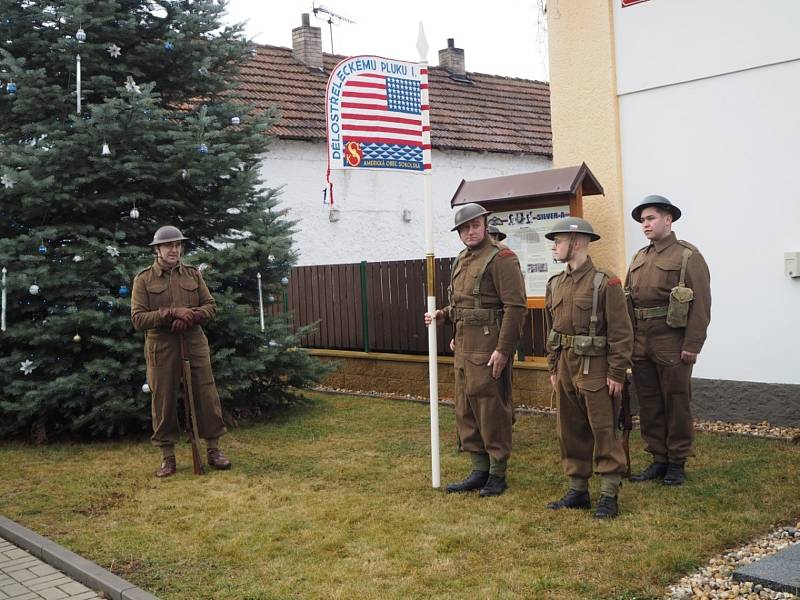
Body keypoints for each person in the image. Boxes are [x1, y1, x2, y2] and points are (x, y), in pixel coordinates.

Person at [424, 203, 527, 496]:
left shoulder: (502, 259)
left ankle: (497, 473)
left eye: (475, 225)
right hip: (464, 345)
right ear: (459, 233)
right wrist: (443, 316)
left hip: (489, 346)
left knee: (491, 408)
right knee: (466, 408)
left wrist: (504, 349)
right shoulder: (461, 260)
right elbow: (462, 305)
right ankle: (478, 470)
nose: (470, 232)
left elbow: (515, 308)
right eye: (464, 228)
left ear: (485, 224)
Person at [543, 217, 632, 518]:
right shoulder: (555, 284)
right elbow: (552, 330)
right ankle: (578, 489)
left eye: (558, 240)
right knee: (569, 429)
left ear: (577, 242)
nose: (554, 246)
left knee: (603, 429)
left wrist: (617, 372)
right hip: (566, 366)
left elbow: (621, 332)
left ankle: (609, 494)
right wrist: (553, 367)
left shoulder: (606, 282)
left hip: (596, 367)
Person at [131, 225, 232, 477]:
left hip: (194, 341)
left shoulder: (193, 275)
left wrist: (191, 316)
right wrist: (169, 314)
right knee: (162, 399)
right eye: (168, 245)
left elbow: (210, 305)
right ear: (157, 249)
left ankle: (213, 450)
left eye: (177, 245)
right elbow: (138, 318)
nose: (174, 249)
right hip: (161, 346)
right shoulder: (143, 279)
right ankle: (168, 457)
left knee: (206, 394)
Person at [625, 196, 711, 486]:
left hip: (671, 339)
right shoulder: (639, 257)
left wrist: (692, 345)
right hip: (641, 341)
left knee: (676, 401)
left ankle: (677, 461)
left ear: (668, 220)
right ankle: (658, 458)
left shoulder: (687, 256)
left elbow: (701, 306)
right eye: (642, 220)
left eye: (650, 218)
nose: (645, 224)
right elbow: (628, 301)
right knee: (648, 402)